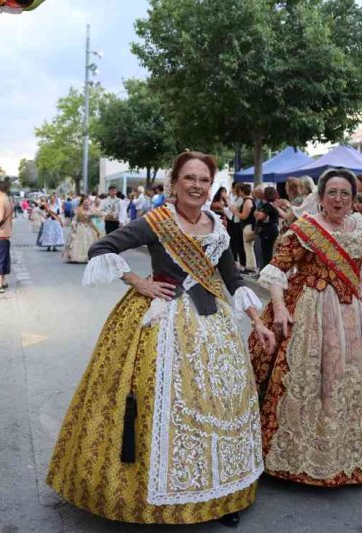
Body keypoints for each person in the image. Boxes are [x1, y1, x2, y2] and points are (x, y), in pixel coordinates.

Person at [47, 151, 274, 528]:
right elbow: (101, 247)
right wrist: (139, 282)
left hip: (212, 322)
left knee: (221, 401)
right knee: (165, 402)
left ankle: (221, 493)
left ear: (211, 185)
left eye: (204, 179)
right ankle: (162, 494)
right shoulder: (156, 221)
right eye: (190, 178)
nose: (197, 186)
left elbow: (232, 278)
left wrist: (257, 320)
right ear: (175, 182)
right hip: (164, 319)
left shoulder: (217, 224)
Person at [249, 167, 362, 488]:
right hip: (310, 309)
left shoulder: (359, 226)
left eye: (345, 193)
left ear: (353, 198)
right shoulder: (306, 228)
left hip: (351, 315)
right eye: (332, 192)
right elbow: (276, 269)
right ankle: (302, 453)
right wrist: (278, 307)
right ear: (320, 195)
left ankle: (348, 453)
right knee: (316, 374)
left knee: (347, 377)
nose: (339, 199)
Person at [62, 195, 102, 263]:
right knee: (78, 242)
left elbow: (97, 216)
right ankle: (76, 257)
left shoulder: (92, 209)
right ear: (82, 203)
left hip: (89, 227)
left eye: (88, 202)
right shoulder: (78, 210)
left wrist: (95, 215)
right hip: (80, 227)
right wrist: (74, 226)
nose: (86, 204)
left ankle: (90, 256)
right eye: (85, 203)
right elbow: (74, 220)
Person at [233, 183, 257, 273]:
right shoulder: (249, 200)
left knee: (248, 247)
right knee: (248, 247)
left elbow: (244, 216)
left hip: (248, 226)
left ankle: (250, 267)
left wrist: (235, 212)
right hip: (248, 226)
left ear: (242, 191)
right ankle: (250, 266)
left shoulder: (247, 201)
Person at [254, 186, 280, 268]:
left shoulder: (268, 205)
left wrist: (256, 213)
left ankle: (265, 271)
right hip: (273, 229)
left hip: (267, 231)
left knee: (266, 253)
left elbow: (259, 217)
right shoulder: (275, 204)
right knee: (269, 252)